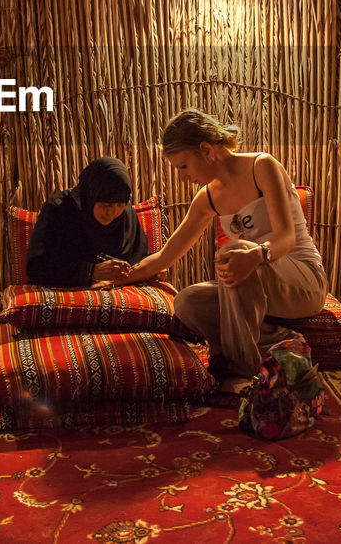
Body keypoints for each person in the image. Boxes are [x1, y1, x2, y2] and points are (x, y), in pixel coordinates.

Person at [121, 110, 326, 393]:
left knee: (235, 251)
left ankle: (240, 372)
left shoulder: (261, 166)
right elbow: (166, 256)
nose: (182, 177)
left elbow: (286, 238)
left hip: (301, 280)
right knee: (187, 301)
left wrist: (256, 254)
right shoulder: (207, 198)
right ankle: (279, 339)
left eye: (183, 166)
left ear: (205, 150)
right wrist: (121, 277)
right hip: (255, 288)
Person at [25, 156, 149, 288]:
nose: (112, 212)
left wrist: (153, 270)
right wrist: (90, 272)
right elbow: (36, 267)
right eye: (105, 205)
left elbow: (142, 255)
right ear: (91, 196)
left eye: (119, 205)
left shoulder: (127, 215)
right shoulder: (60, 210)